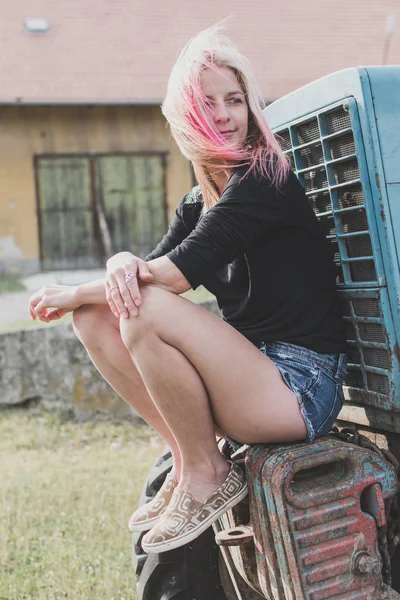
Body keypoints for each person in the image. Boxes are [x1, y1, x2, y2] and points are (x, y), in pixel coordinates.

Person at [28, 24, 347, 554]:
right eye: (208, 102)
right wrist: (116, 264)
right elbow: (142, 272)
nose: (223, 114)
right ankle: (186, 456)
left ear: (249, 108)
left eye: (235, 100)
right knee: (97, 316)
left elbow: (172, 277)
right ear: (185, 116)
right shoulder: (199, 202)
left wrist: (89, 282)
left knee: (143, 307)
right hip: (252, 373)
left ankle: (207, 471)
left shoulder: (265, 177)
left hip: (299, 386)